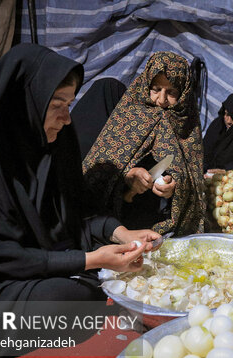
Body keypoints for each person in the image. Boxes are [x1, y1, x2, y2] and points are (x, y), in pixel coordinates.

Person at [0, 43, 160, 358]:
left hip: (24, 264)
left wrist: (119, 232)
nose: (66, 118)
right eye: (56, 105)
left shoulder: (54, 145)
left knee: (88, 291)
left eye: (70, 104)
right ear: (23, 104)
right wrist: (89, 259)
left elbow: (72, 213)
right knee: (69, 300)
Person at [82, 51, 206, 235]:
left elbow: (193, 181)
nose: (161, 100)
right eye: (156, 89)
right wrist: (127, 176)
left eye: (171, 92)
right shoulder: (129, 115)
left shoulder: (186, 126)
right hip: (114, 225)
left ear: (183, 94)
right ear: (146, 86)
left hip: (160, 225)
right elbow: (99, 170)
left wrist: (173, 188)